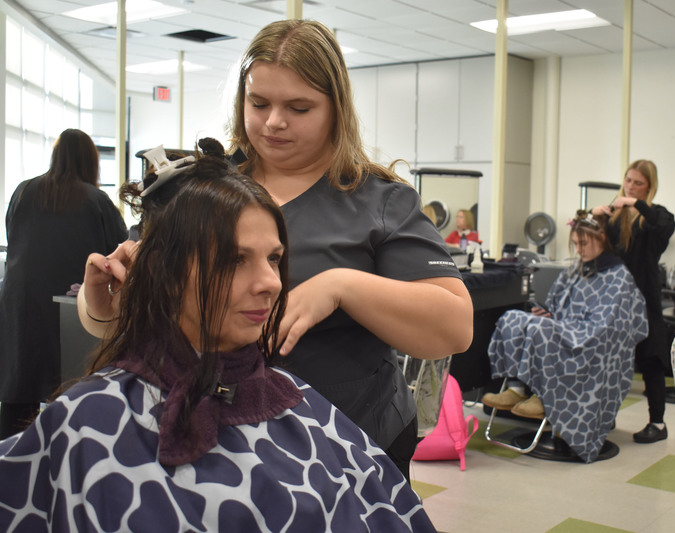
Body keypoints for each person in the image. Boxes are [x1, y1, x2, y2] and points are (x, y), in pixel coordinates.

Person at [79, 19, 473, 481]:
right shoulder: (202, 187)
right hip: (219, 444)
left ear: (336, 109)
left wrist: (342, 285)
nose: (273, 122)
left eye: (299, 107)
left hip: (349, 444)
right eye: (258, 103)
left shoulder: (380, 201)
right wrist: (102, 304)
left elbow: (455, 327)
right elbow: (124, 312)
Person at [0, 140, 436, 532]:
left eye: (275, 258)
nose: (270, 282)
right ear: (163, 272)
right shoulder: (88, 426)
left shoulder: (310, 417)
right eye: (234, 259)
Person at [481, 211, 648, 462]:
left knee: (541, 330)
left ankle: (545, 396)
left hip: (592, 340)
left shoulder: (618, 277)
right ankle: (517, 389)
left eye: (584, 244)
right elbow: (555, 304)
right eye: (576, 244)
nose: (579, 250)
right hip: (565, 329)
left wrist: (557, 325)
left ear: (602, 239)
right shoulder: (577, 270)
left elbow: (610, 324)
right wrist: (546, 312)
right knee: (512, 318)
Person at [0, 128, 128, 439]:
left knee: (19, 387)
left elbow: (11, 235)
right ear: (90, 161)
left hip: (20, 303)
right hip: (69, 312)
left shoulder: (23, 191)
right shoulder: (97, 201)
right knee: (68, 386)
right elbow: (119, 254)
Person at [592, 159, 675, 444]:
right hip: (615, 298)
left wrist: (632, 203)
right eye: (628, 180)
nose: (630, 186)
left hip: (644, 297)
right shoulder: (616, 217)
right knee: (611, 358)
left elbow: (660, 224)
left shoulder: (658, 216)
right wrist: (595, 216)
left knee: (650, 359)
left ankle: (658, 422)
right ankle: (607, 414)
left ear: (649, 187)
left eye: (638, 183)